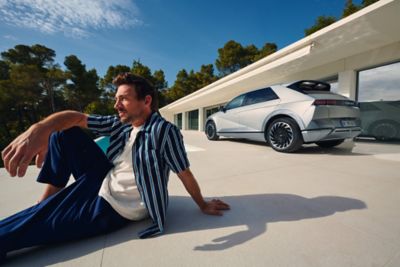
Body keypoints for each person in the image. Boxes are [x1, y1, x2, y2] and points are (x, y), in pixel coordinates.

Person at [0, 73, 230, 261]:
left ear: (147, 101)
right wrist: (40, 128)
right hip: (102, 179)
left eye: (124, 99)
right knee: (63, 132)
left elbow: (184, 173)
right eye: (117, 99)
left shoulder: (164, 132)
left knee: (35, 227)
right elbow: (77, 118)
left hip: (113, 206)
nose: (116, 105)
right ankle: (47, 201)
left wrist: (202, 204)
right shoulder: (123, 124)